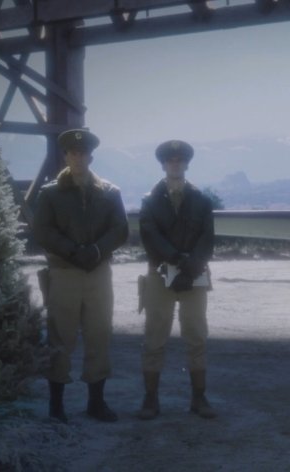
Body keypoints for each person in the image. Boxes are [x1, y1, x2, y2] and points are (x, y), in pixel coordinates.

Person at [33, 128, 129, 423]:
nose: (78, 157)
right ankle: (57, 406)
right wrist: (74, 251)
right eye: (73, 152)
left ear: (90, 156)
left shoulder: (110, 192)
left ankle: (96, 403)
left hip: (98, 273)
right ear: (66, 155)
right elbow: (43, 230)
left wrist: (97, 251)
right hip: (64, 273)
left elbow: (120, 229)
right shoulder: (50, 193)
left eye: (83, 152)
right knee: (61, 337)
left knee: (99, 335)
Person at [136, 139, 216, 420]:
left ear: (187, 164)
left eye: (180, 160)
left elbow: (207, 239)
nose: (175, 164)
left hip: (194, 276)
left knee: (196, 336)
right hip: (160, 276)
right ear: (163, 164)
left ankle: (199, 398)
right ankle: (150, 400)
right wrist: (180, 262)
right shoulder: (149, 200)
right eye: (170, 161)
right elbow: (150, 237)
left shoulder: (202, 200)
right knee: (154, 337)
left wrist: (191, 267)